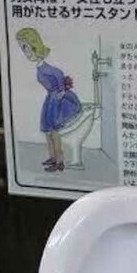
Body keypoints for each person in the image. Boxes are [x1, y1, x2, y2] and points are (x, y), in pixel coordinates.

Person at [15, 27, 82, 172]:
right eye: (23, 48)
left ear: (35, 45)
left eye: (26, 47)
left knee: (53, 132)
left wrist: (61, 93)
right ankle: (52, 157)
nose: (25, 52)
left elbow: (60, 76)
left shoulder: (47, 68)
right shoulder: (40, 67)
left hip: (55, 101)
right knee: (48, 132)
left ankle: (59, 161)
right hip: (50, 100)